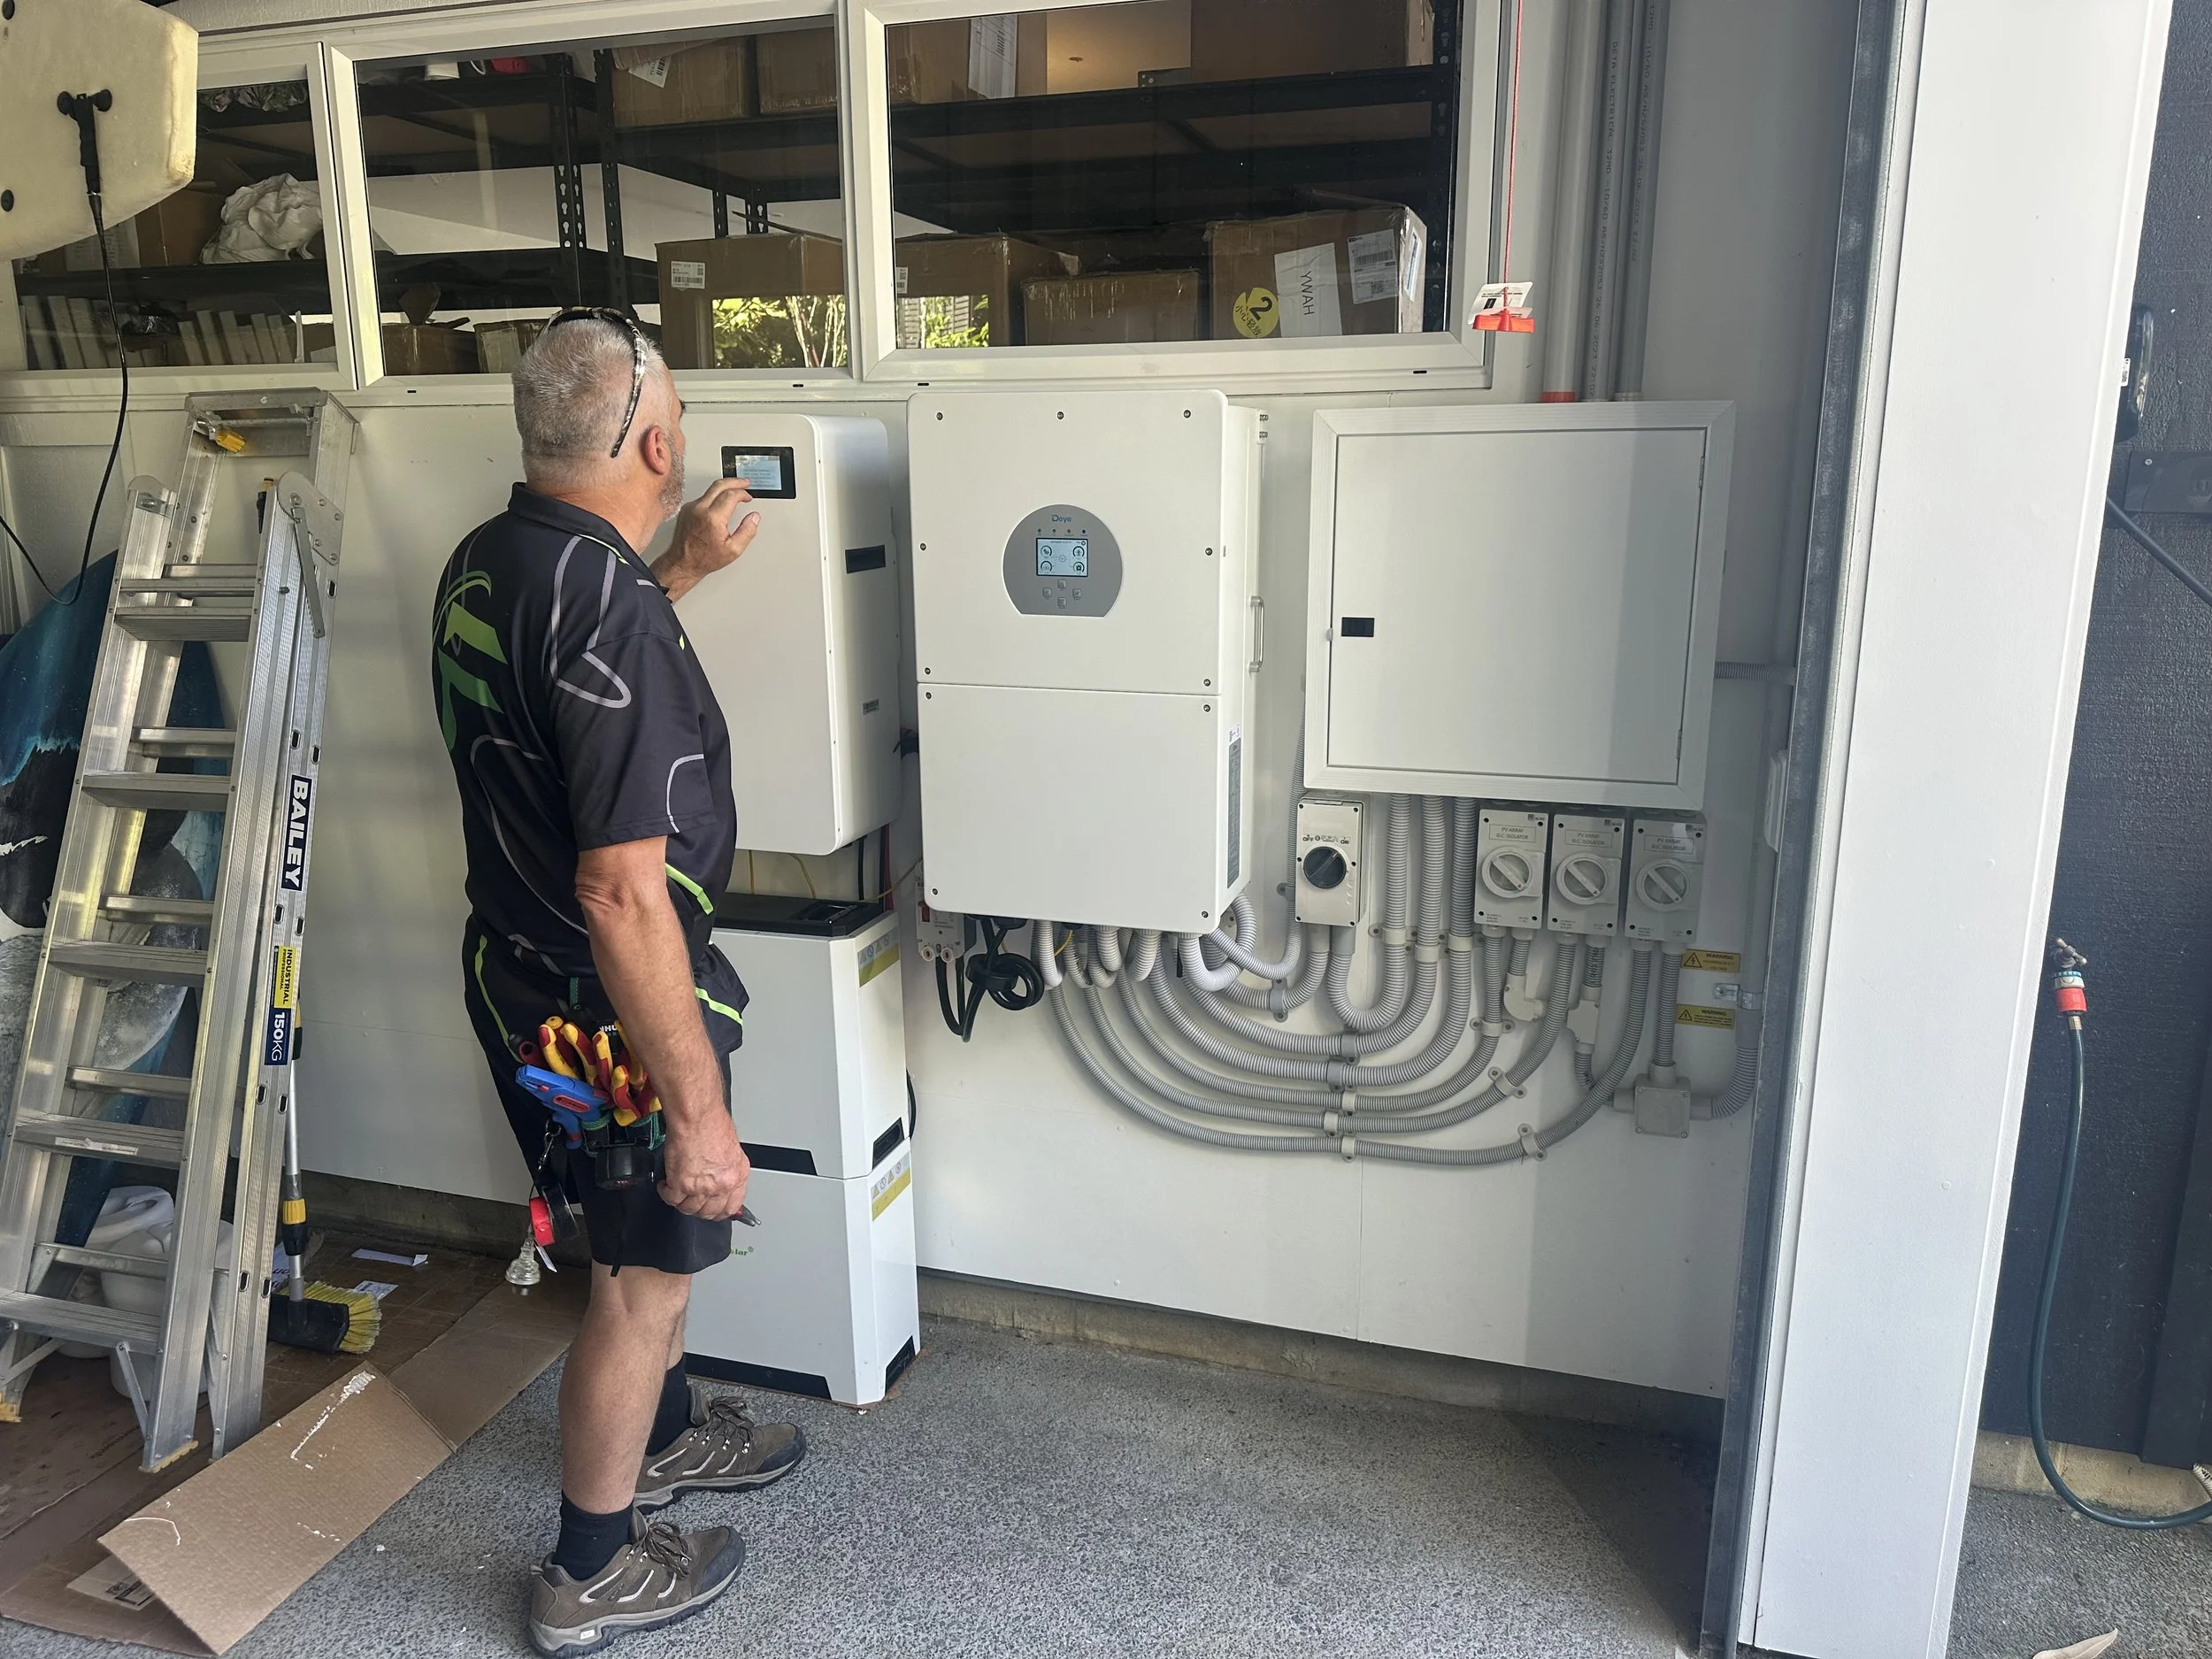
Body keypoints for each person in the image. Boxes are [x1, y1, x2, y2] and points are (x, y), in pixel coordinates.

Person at [430, 310, 804, 1656]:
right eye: (685, 422)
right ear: (654, 437)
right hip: (609, 1009)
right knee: (643, 1274)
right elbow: (625, 891)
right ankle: (589, 1567)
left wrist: (678, 568)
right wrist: (699, 1112)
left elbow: (577, 686)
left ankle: (675, 1430)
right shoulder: (613, 616)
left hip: (516, 978)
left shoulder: (497, 562)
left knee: (623, 1237)